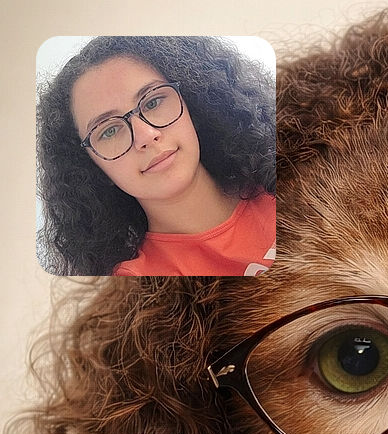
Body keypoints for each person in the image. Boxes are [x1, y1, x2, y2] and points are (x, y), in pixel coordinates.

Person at [36, 35, 276, 276]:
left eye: (153, 102)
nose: (146, 136)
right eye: (109, 131)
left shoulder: (291, 179)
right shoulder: (134, 284)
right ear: (91, 166)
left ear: (192, 103)